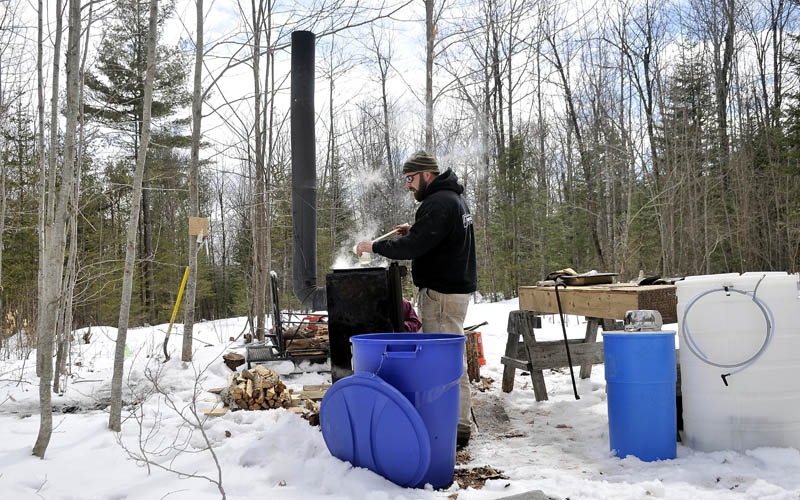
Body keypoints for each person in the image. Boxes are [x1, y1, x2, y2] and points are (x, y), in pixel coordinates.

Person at [356, 150, 477, 447]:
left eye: (410, 178)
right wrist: (416, 229)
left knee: (446, 362)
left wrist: (375, 247)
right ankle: (454, 421)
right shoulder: (452, 200)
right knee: (448, 358)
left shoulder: (438, 202)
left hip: (442, 295)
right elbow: (434, 238)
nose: (408, 185)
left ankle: (456, 427)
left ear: (427, 174)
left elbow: (416, 246)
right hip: (451, 293)